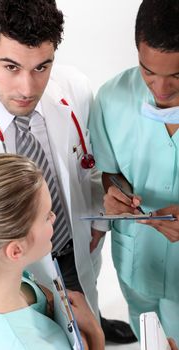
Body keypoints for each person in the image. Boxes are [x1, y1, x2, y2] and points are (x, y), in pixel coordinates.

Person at [0, 0, 135, 343]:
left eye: (42, 67)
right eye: (11, 67)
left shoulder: (74, 88)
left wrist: (97, 220)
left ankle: (96, 326)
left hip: (76, 249)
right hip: (16, 272)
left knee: (82, 316)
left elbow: (90, 165)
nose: (28, 89)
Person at [89, 0, 179, 345]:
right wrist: (115, 193)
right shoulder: (112, 98)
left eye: (176, 75)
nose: (160, 89)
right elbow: (109, 173)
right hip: (136, 262)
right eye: (148, 72)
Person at [0, 153, 104, 349]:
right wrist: (95, 333)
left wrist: (43, 298)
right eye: (47, 216)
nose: (54, 218)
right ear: (15, 251)